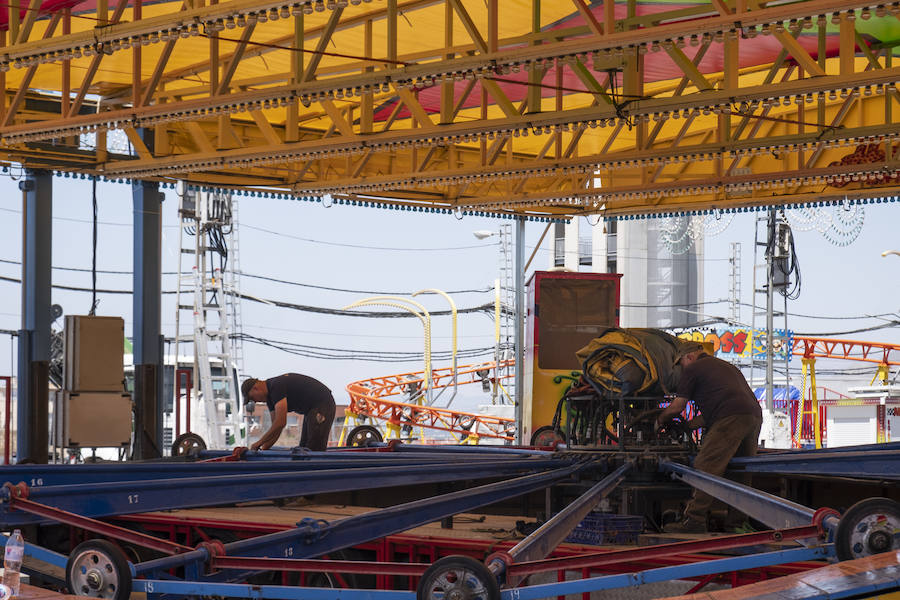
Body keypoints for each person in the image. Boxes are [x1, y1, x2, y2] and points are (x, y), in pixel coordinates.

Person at [655, 342, 763, 533]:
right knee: (740, 471)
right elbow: (712, 413)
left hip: (731, 417)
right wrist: (687, 426)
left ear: (688, 357)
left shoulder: (694, 369)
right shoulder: (726, 366)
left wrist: (660, 419)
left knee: (705, 465)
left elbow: (678, 406)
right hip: (752, 417)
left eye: (680, 363)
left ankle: (694, 520)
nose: (681, 369)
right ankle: (736, 523)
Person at [242, 373, 336, 451]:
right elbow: (276, 429)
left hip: (323, 403)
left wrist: (259, 443)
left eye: (252, 398)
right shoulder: (270, 399)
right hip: (311, 410)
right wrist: (265, 447)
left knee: (314, 449)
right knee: (304, 448)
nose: (254, 401)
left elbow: (281, 422)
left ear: (255, 388)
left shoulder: (276, 386)